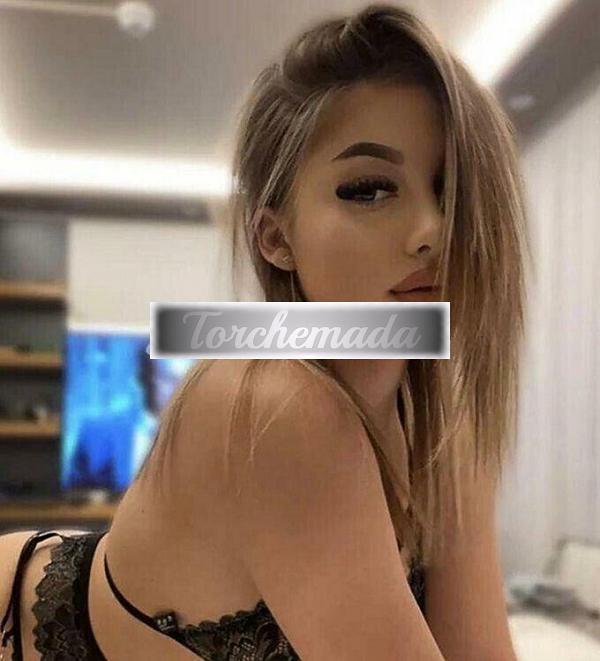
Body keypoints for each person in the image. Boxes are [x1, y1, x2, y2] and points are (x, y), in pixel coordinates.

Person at [0, 3, 529, 659]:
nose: (433, 231)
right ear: (276, 238)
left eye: (454, 192)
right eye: (369, 189)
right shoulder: (274, 405)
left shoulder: (443, 421)